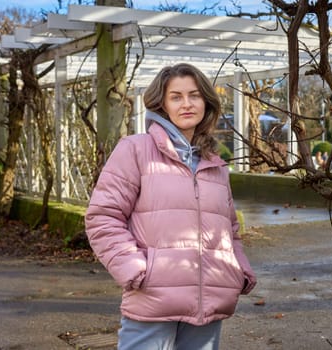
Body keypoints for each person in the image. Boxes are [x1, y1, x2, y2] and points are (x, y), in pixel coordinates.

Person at [85, 63, 257, 350]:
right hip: (153, 298)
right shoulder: (136, 149)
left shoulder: (214, 163)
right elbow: (103, 217)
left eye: (194, 95)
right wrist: (136, 269)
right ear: (162, 105)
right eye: (176, 96)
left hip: (210, 301)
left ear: (206, 101)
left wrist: (238, 268)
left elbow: (230, 229)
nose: (187, 104)